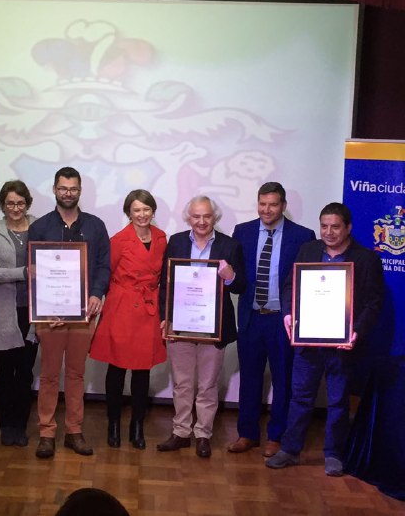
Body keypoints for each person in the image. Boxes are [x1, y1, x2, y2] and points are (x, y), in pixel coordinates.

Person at [266, 202, 384, 477]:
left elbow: (374, 302)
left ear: (348, 228)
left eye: (335, 227)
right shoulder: (308, 250)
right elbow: (289, 286)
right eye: (324, 226)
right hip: (307, 342)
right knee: (300, 397)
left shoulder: (366, 259)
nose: (329, 232)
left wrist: (357, 331)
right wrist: (288, 314)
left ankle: (333, 454)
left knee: (338, 401)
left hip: (342, 345)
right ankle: (290, 449)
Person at [28, 167, 110, 458]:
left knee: (76, 374)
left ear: (80, 191)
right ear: (54, 189)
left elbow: (103, 265)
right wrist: (44, 306)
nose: (68, 193)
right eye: (63, 188)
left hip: (83, 314)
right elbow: (33, 272)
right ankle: (47, 432)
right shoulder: (40, 227)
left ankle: (74, 431)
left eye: (73, 189)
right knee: (49, 375)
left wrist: (96, 293)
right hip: (49, 316)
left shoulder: (96, 226)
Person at [228, 182, 315, 457]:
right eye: (262, 204)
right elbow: (238, 280)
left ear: (283, 206)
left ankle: (277, 436)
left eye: (273, 204)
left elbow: (306, 281)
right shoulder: (242, 232)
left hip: (282, 321)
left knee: (283, 380)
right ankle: (247, 433)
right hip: (251, 318)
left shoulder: (303, 236)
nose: (267, 210)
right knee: (249, 378)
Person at [158, 195, 246, 458]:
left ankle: (203, 434)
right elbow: (165, 283)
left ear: (214, 217)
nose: (202, 221)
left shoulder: (230, 245)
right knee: (182, 383)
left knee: (207, 385)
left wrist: (230, 277)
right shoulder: (176, 242)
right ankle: (181, 432)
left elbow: (240, 286)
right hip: (180, 323)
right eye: (196, 216)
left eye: (207, 216)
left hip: (214, 326)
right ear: (189, 218)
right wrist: (165, 317)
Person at [89, 189, 167, 450]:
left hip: (148, 308)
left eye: (146, 209)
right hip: (122, 308)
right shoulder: (119, 240)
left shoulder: (161, 238)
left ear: (152, 211)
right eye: (136, 210)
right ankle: (113, 424)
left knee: (143, 370)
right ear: (128, 213)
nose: (142, 214)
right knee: (117, 369)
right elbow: (106, 272)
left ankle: (137, 425)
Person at [0, 180, 37, 447]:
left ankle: (21, 424)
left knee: (25, 371)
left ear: (27, 203)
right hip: (5, 310)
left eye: (20, 203)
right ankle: (6, 424)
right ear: (3, 205)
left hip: (33, 312)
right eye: (10, 203)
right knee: (6, 371)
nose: (16, 208)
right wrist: (24, 273)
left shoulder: (39, 226)